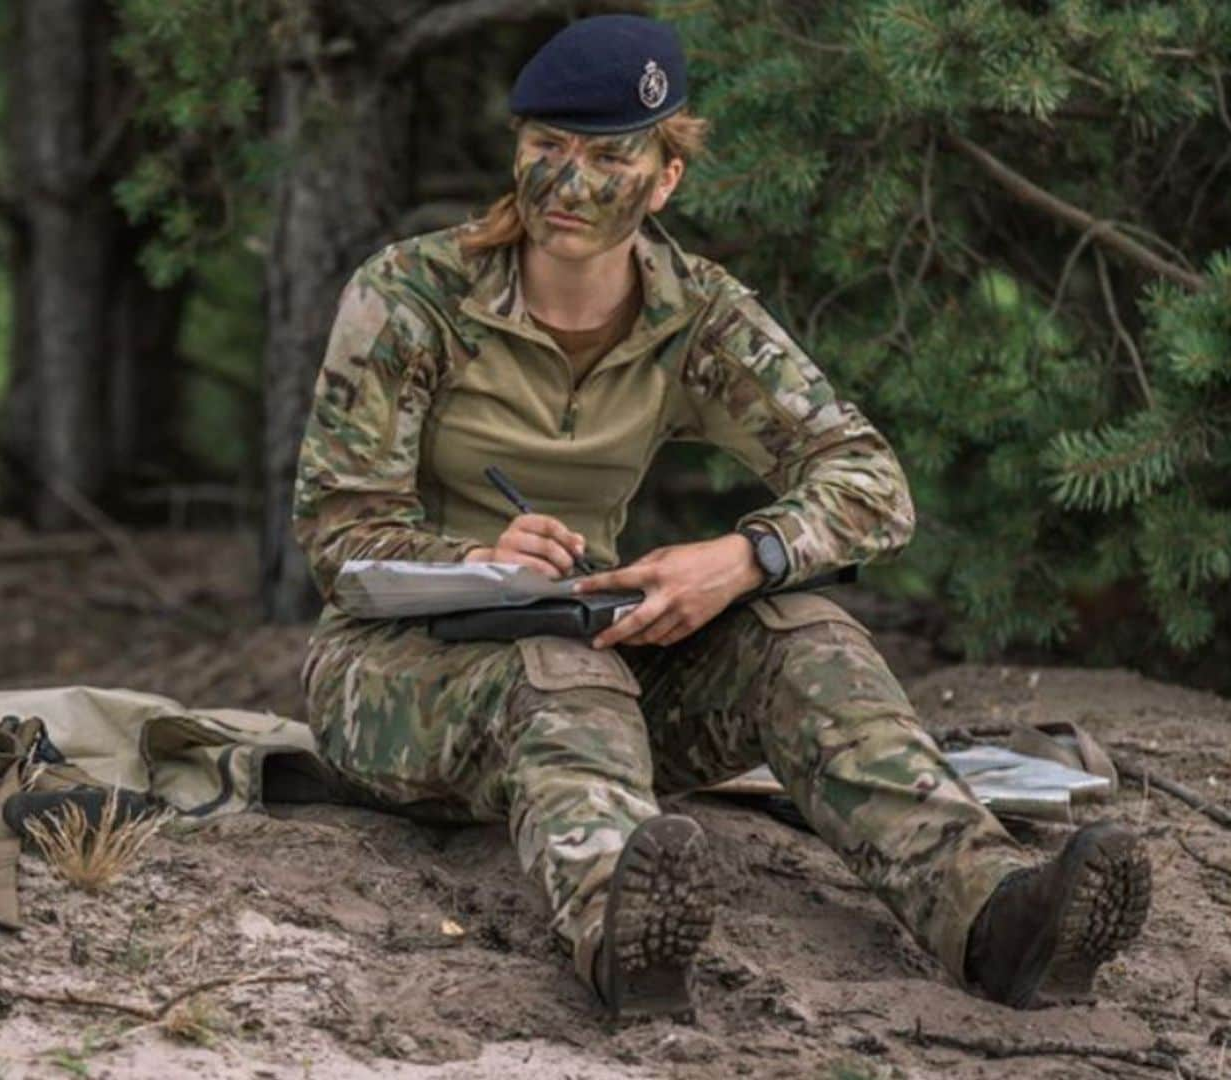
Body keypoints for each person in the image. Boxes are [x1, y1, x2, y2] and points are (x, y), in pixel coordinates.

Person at [291, 14, 1151, 1020]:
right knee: (558, 676)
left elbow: (868, 478)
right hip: (392, 671)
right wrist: (475, 555)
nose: (566, 186)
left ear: (665, 180)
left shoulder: (696, 315)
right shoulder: (411, 295)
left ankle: (995, 918)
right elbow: (338, 540)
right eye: (544, 149)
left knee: (807, 634)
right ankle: (626, 937)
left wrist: (746, 556)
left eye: (608, 157)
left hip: (592, 650)